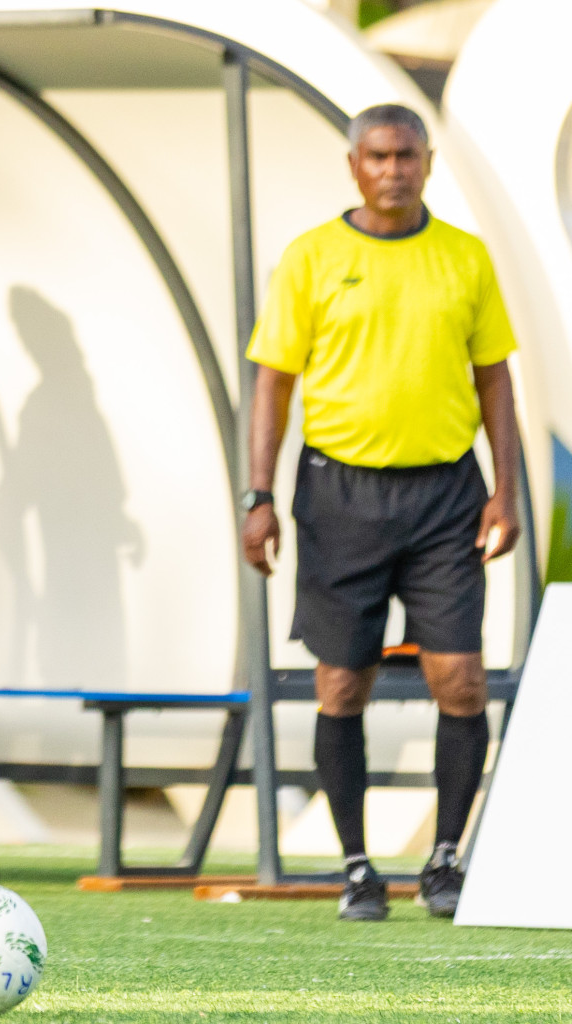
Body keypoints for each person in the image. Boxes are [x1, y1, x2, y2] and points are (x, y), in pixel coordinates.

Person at [242, 104, 520, 922]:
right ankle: (358, 867)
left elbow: (494, 375)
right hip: (338, 494)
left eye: (407, 155)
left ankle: (444, 861)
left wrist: (506, 488)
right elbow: (273, 381)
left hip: (445, 494)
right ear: (353, 164)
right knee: (342, 681)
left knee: (460, 680)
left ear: (428, 162)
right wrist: (259, 497)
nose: (394, 169)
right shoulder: (312, 257)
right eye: (378, 156)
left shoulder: (464, 259)